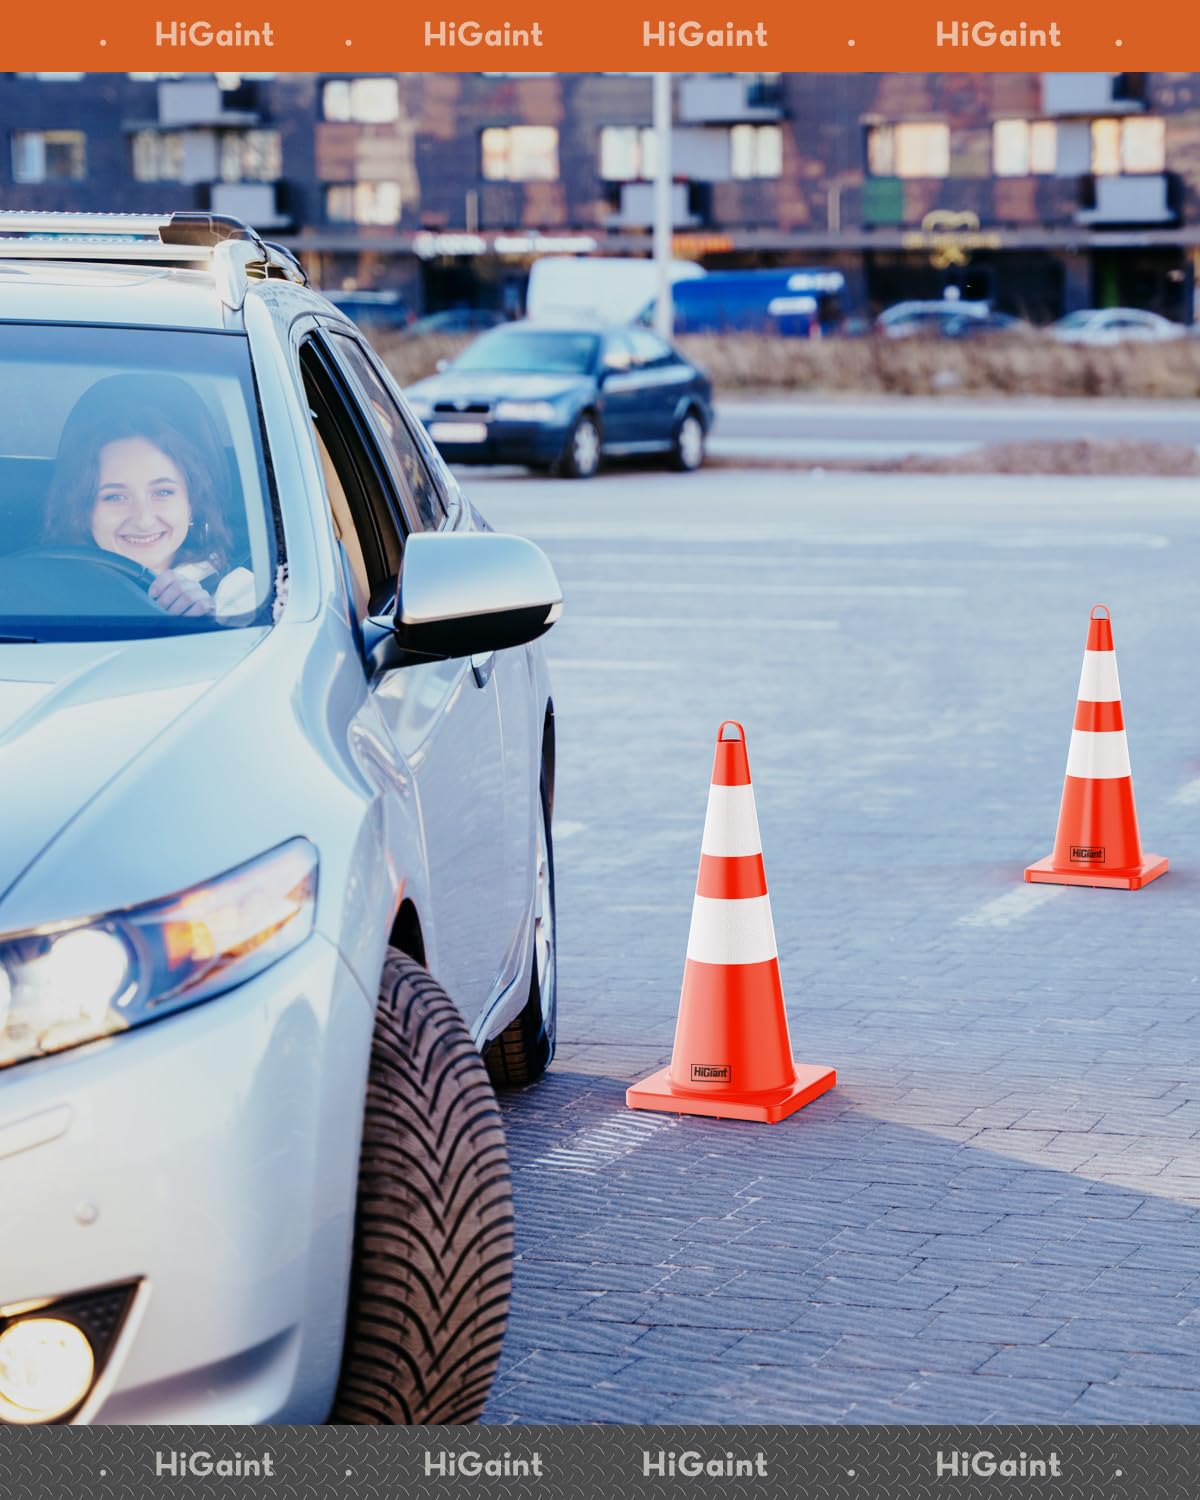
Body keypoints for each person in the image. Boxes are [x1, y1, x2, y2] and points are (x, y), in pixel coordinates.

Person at [43, 373, 255, 619]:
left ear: (193, 502)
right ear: (82, 510)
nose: (143, 520)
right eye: (115, 497)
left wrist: (211, 623)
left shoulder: (244, 599)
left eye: (163, 492)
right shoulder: (41, 595)